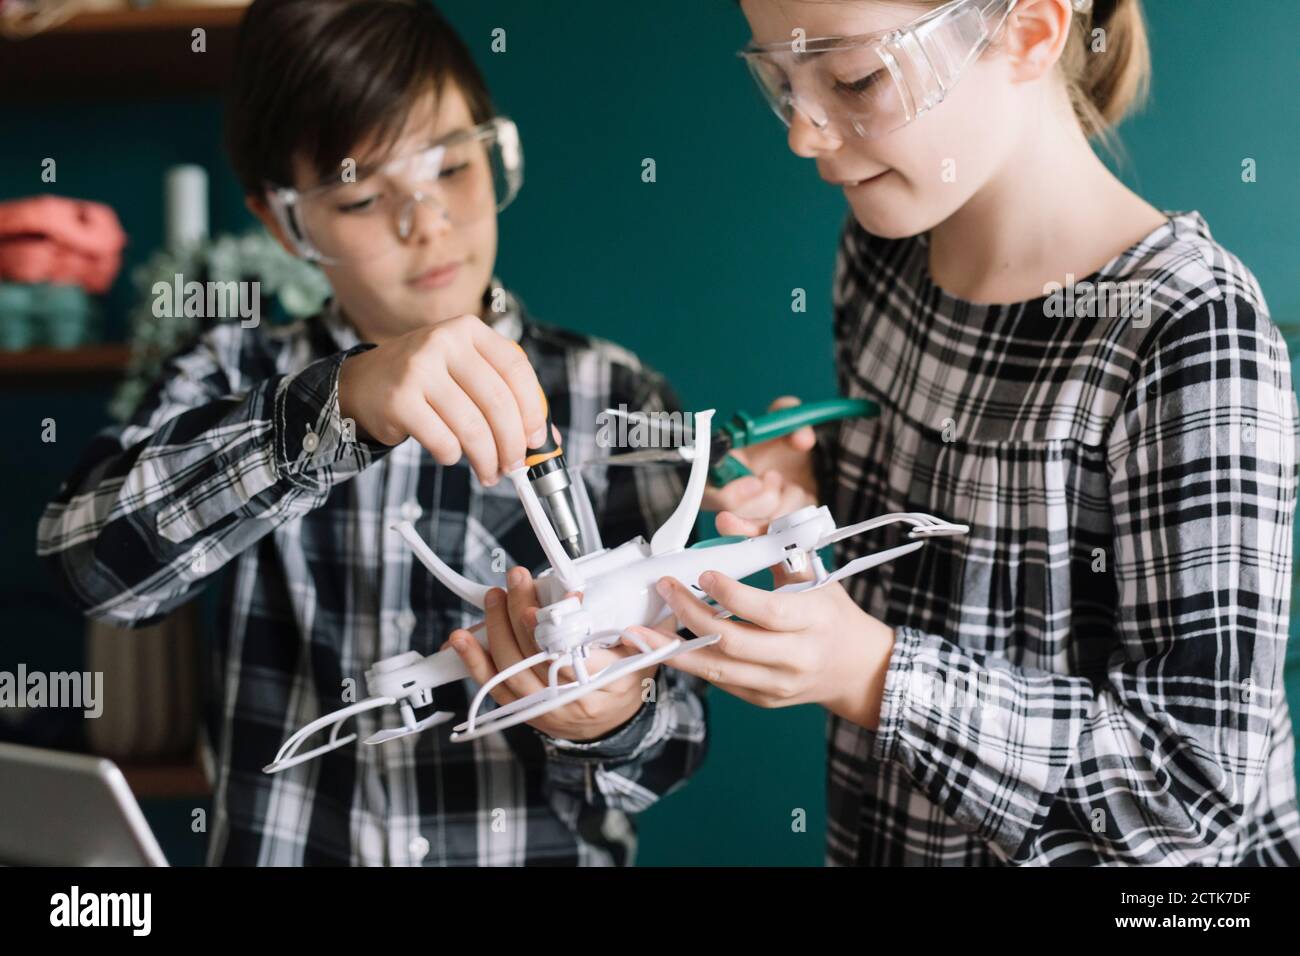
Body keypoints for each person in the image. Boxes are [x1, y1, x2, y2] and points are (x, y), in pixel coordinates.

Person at [36, 0, 707, 866]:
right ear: (285, 223)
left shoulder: (616, 395)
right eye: (360, 195)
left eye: (453, 168)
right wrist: (337, 408)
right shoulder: (229, 373)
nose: (425, 222)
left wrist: (615, 719)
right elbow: (89, 568)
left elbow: (682, 741)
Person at [634, 0, 1300, 865]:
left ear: (1030, 31)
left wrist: (873, 676)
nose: (803, 133)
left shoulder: (1188, 332)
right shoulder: (885, 250)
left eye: (853, 78)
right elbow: (968, 535)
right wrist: (819, 485)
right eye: (781, 79)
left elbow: (1191, 787)